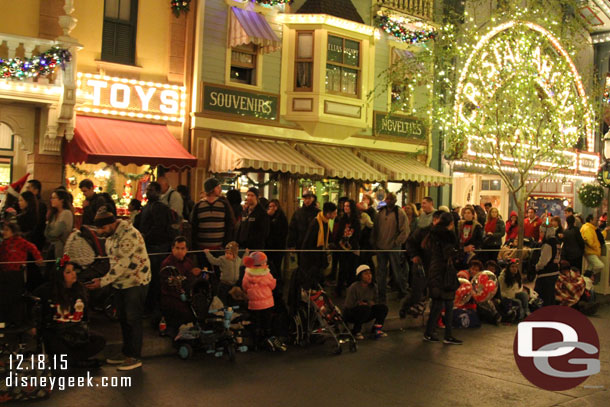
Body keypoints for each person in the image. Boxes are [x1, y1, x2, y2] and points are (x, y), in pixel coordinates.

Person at [85, 207, 151, 371]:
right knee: (122, 318)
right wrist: (105, 278)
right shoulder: (111, 236)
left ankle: (134, 356)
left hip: (136, 281)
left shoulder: (129, 234)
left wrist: (103, 282)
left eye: (102, 227)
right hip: (120, 282)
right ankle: (126, 352)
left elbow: (122, 263)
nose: (100, 231)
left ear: (111, 223)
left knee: (132, 318)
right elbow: (113, 262)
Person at [34, 260, 106, 368]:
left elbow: (84, 315)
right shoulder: (47, 290)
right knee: (57, 346)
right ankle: (75, 361)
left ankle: (73, 360)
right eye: (68, 272)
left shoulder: (80, 289)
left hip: (76, 329)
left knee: (99, 340)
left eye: (73, 271)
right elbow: (33, 305)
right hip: (56, 330)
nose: (73, 274)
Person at [423, 212, 462, 345]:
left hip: (435, 271)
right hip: (443, 272)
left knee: (437, 305)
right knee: (448, 304)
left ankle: (429, 333)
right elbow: (448, 254)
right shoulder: (447, 237)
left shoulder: (433, 234)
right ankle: (448, 335)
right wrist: (463, 250)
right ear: (450, 224)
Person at [136, 181, 174, 313]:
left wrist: (146, 236)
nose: (148, 192)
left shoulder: (157, 207)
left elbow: (159, 227)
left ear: (158, 192)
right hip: (151, 246)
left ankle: (153, 307)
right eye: (148, 189)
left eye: (151, 190)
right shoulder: (148, 206)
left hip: (157, 247)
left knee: (155, 278)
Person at [0, 222, 43, 325]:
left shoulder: (20, 241)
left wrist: (38, 258)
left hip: (17, 273)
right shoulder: (3, 243)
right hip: (5, 273)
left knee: (16, 296)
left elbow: (32, 247)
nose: (3, 232)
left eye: (6, 230)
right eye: (3, 230)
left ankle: (17, 319)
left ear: (13, 231)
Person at [241, 251, 286, 352]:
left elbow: (244, 286)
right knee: (266, 322)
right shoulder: (266, 273)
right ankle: (267, 341)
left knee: (256, 322)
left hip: (253, 304)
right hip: (267, 303)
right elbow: (272, 286)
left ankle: (256, 343)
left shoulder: (247, 273)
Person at [370, 192, 409, 304]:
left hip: (393, 248)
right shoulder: (380, 212)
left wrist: (396, 242)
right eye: (388, 199)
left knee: (397, 271)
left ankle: (402, 291)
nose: (389, 201)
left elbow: (405, 231)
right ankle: (381, 294)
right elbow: (375, 228)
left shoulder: (400, 213)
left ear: (395, 200)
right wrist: (374, 242)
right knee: (381, 272)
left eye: (391, 199)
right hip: (381, 247)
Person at [160, 236, 203, 334]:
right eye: (177, 248)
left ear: (186, 250)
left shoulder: (188, 262)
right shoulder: (167, 264)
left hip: (188, 295)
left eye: (182, 248)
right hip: (172, 298)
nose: (180, 251)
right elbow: (171, 286)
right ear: (172, 249)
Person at [191, 177, 236, 255]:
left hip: (219, 248)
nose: (220, 189)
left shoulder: (223, 204)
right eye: (218, 187)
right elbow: (194, 226)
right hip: (202, 249)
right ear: (212, 189)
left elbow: (229, 224)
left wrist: (226, 244)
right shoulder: (198, 205)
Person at [343, 264, 388, 340]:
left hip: (367, 310)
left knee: (383, 308)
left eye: (370, 273)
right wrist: (358, 303)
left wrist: (371, 303)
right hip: (353, 313)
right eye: (366, 274)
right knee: (364, 308)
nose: (369, 276)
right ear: (360, 276)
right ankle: (356, 331)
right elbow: (348, 305)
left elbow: (376, 301)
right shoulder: (354, 287)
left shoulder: (373, 286)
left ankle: (376, 330)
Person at [300, 202, 337, 288]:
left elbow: (329, 236)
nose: (336, 215)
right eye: (334, 213)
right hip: (312, 257)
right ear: (328, 213)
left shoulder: (325, 222)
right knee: (312, 280)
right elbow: (308, 241)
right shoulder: (316, 223)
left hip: (319, 255)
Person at [335, 199, 361, 297]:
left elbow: (357, 234)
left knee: (351, 270)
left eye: (348, 206)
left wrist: (352, 244)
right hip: (342, 247)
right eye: (345, 206)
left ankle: (351, 290)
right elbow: (339, 232)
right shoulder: (343, 219)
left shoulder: (356, 221)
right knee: (342, 269)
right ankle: (339, 289)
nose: (345, 208)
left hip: (352, 248)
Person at [535, 226, 561, 307]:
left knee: (543, 298)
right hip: (555, 272)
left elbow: (544, 260)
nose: (540, 234)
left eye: (541, 232)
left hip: (546, 274)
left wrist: (537, 267)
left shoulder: (548, 244)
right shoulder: (557, 242)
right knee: (551, 297)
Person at [44, 189, 74, 259]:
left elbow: (56, 232)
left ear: (62, 200)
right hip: (52, 246)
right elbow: (46, 233)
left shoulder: (66, 213)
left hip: (62, 248)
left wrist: (50, 234)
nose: (51, 200)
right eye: (51, 198)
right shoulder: (54, 214)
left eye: (54, 198)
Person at [580, 214, 607, 283]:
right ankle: (586, 277)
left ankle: (585, 279)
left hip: (592, 251)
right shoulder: (588, 228)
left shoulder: (591, 228)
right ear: (590, 220)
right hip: (590, 251)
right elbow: (589, 241)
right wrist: (596, 246)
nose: (596, 221)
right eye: (595, 219)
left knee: (591, 267)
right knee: (600, 265)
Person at [266, 199, 288, 276]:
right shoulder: (269, 217)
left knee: (276, 266)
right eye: (270, 206)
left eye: (273, 206)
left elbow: (279, 231)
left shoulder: (281, 217)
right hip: (269, 246)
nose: (271, 208)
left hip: (278, 246)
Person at [26, 179, 47, 250]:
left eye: (28, 188)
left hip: (36, 238)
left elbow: (38, 223)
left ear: (36, 190)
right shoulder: (30, 203)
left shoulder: (40, 205)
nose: (26, 190)